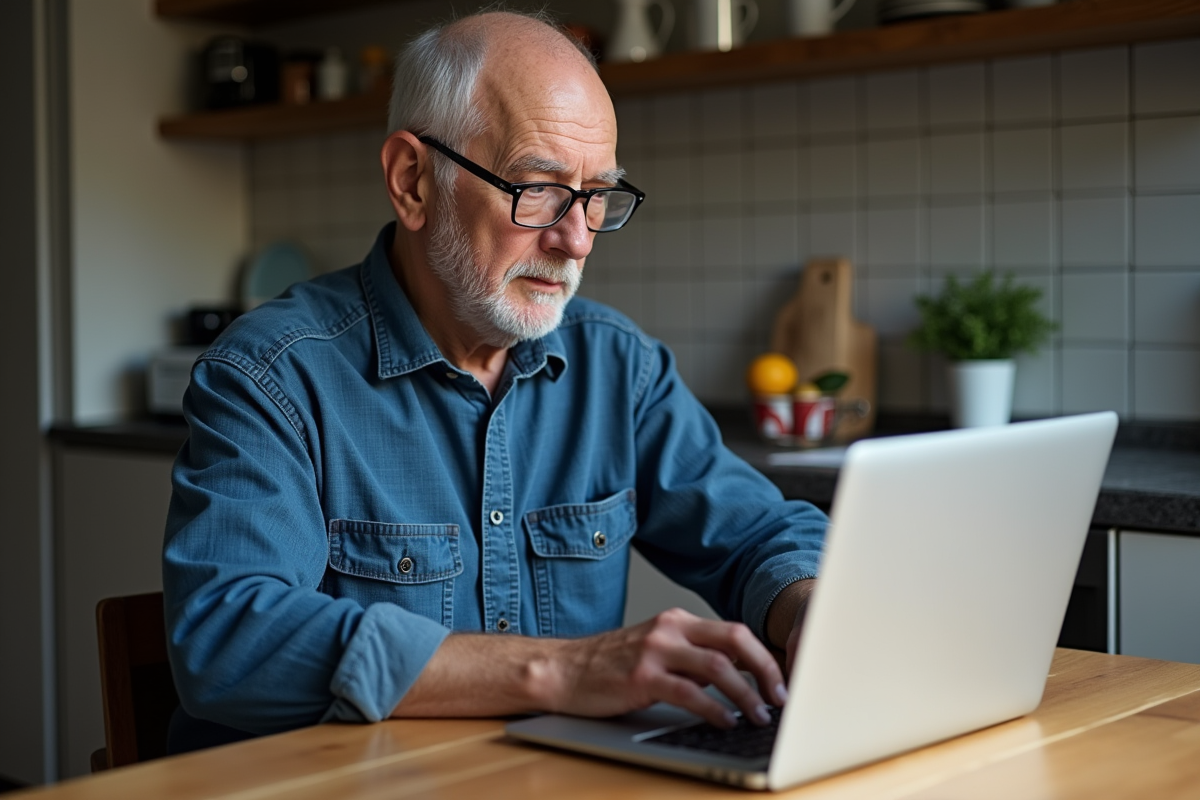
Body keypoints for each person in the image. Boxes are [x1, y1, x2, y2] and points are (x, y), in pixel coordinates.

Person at [162, 10, 827, 751]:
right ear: (412, 181)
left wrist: (807, 607)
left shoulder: (619, 367)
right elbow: (227, 637)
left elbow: (760, 535)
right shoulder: (269, 375)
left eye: (596, 194)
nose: (574, 238)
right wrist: (561, 672)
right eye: (537, 187)